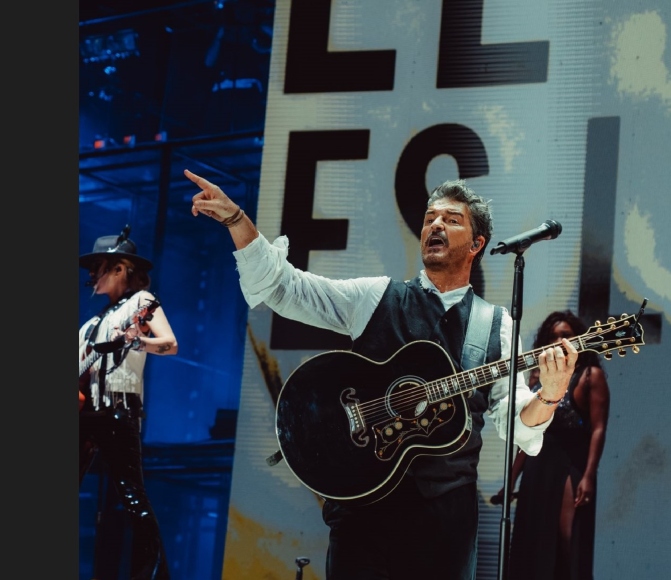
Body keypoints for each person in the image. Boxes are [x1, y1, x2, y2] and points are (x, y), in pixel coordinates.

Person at [186, 168, 580, 580]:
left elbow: (518, 424)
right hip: (364, 510)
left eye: (451, 219)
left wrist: (550, 394)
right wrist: (237, 221)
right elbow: (287, 288)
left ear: (476, 244)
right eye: (430, 218)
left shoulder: (496, 326)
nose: (435, 225)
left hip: (445, 520)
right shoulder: (377, 297)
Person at [78, 227, 179, 580]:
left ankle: (152, 576)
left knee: (133, 498)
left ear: (121, 268)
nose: (91, 275)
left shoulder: (141, 303)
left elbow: (170, 343)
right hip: (86, 414)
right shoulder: (90, 326)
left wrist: (137, 341)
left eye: (99, 266)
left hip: (119, 414)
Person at [492, 310, 611, 580]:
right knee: (533, 546)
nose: (558, 341)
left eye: (566, 336)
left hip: (570, 466)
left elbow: (599, 428)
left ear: (578, 339)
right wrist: (510, 480)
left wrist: (589, 476)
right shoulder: (537, 380)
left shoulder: (590, 375)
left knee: (568, 544)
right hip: (538, 467)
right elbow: (529, 436)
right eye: (553, 336)